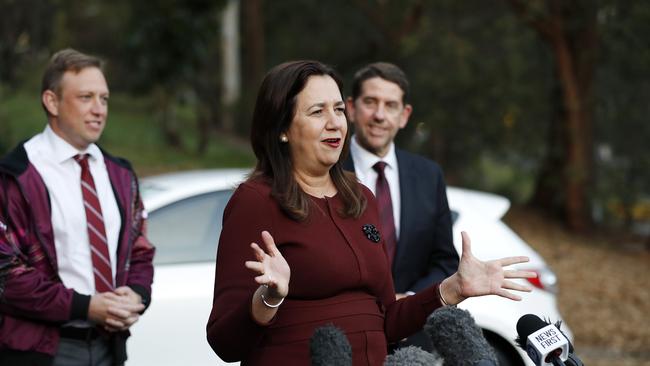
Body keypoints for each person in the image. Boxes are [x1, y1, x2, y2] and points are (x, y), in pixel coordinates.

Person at [206, 60, 535, 365]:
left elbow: (385, 321)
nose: (335, 122)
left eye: (337, 109)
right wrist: (270, 297)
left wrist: (452, 290)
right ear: (283, 128)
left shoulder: (360, 198)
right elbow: (224, 342)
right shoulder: (255, 201)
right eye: (317, 111)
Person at [0, 49, 155, 366]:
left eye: (105, 99)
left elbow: (140, 249)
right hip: (39, 351)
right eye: (86, 97)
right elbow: (7, 276)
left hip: (108, 348)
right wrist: (85, 307)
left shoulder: (121, 174)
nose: (99, 110)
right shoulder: (14, 176)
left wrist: (137, 294)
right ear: (51, 102)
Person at [343, 62, 458, 349]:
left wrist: (410, 302)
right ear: (351, 108)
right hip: (344, 338)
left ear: (404, 115)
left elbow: (445, 261)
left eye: (390, 105)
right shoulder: (327, 170)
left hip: (414, 340)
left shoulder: (429, 176)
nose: (379, 115)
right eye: (370, 102)